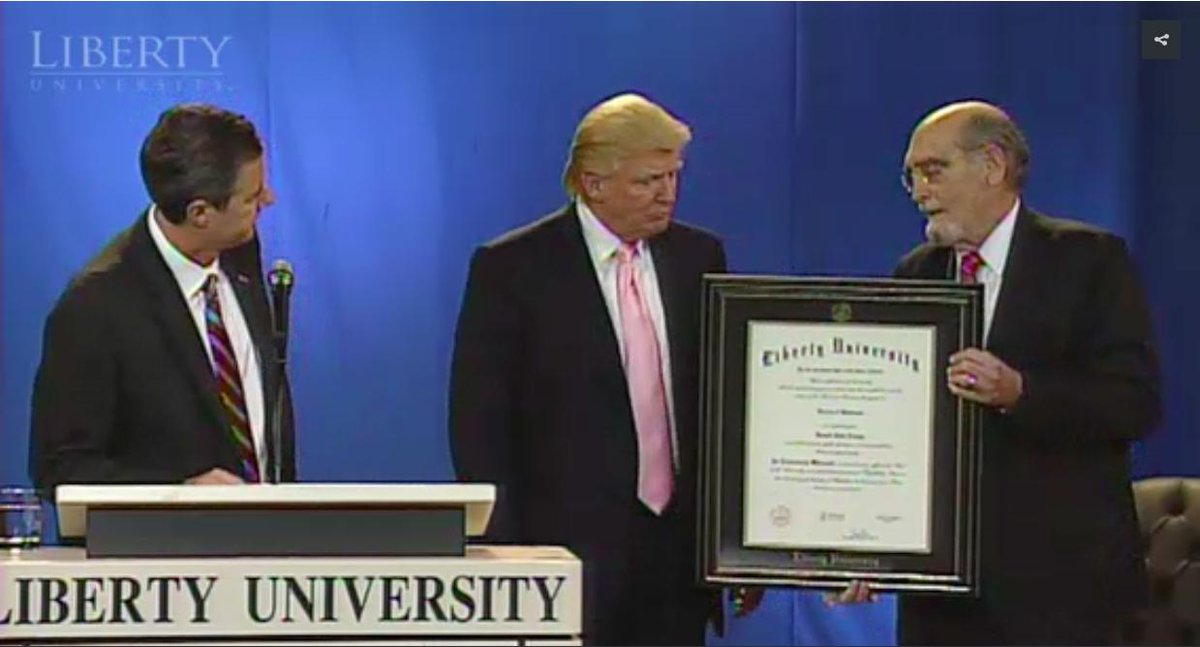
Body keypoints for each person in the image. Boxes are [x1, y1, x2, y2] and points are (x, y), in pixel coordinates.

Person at [835, 100, 1160, 645]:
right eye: (910, 175)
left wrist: (1020, 392)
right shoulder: (916, 274)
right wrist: (873, 543)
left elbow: (1134, 401)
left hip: (1060, 585)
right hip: (943, 594)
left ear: (992, 165)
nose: (918, 190)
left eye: (932, 170)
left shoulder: (1088, 260)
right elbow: (898, 431)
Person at [449, 93, 727, 645]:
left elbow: (722, 406)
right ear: (593, 183)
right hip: (564, 557)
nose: (667, 194)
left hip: (675, 561)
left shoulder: (699, 257)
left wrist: (733, 547)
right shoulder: (513, 269)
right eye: (648, 180)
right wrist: (508, 556)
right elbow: (478, 425)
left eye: (673, 176)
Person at [30, 103, 295, 494]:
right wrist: (179, 492)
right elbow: (62, 467)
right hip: (163, 551)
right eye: (252, 197)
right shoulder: (95, 306)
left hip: (268, 542)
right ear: (200, 213)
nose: (267, 201)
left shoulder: (238, 248)